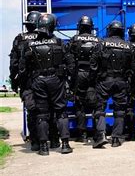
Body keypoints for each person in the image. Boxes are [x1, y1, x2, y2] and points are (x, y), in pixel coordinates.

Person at [19, 13, 75, 155]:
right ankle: (65, 144)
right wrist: (68, 81)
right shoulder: (59, 43)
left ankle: (43, 147)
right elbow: (71, 65)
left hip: (38, 82)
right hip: (56, 81)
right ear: (52, 26)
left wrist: (26, 84)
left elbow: (22, 69)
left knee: (41, 114)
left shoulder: (29, 45)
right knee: (61, 112)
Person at [90, 20, 135, 148]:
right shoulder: (128, 46)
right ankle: (116, 138)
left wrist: (93, 82)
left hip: (104, 81)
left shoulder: (101, 44)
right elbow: (133, 67)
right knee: (120, 111)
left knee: (99, 109)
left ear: (109, 30)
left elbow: (93, 65)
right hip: (121, 81)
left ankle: (101, 135)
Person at [9, 11, 41, 151]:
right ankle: (50, 139)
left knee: (32, 111)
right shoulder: (46, 37)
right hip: (45, 79)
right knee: (47, 110)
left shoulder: (19, 39)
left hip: (26, 80)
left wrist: (13, 80)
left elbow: (14, 63)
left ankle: (34, 141)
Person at [67, 16, 100, 143]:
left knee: (79, 104)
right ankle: (97, 133)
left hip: (79, 74)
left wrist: (72, 76)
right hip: (93, 75)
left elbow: (68, 59)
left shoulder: (73, 40)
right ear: (91, 27)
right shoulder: (98, 41)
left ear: (79, 26)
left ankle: (82, 134)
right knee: (96, 104)